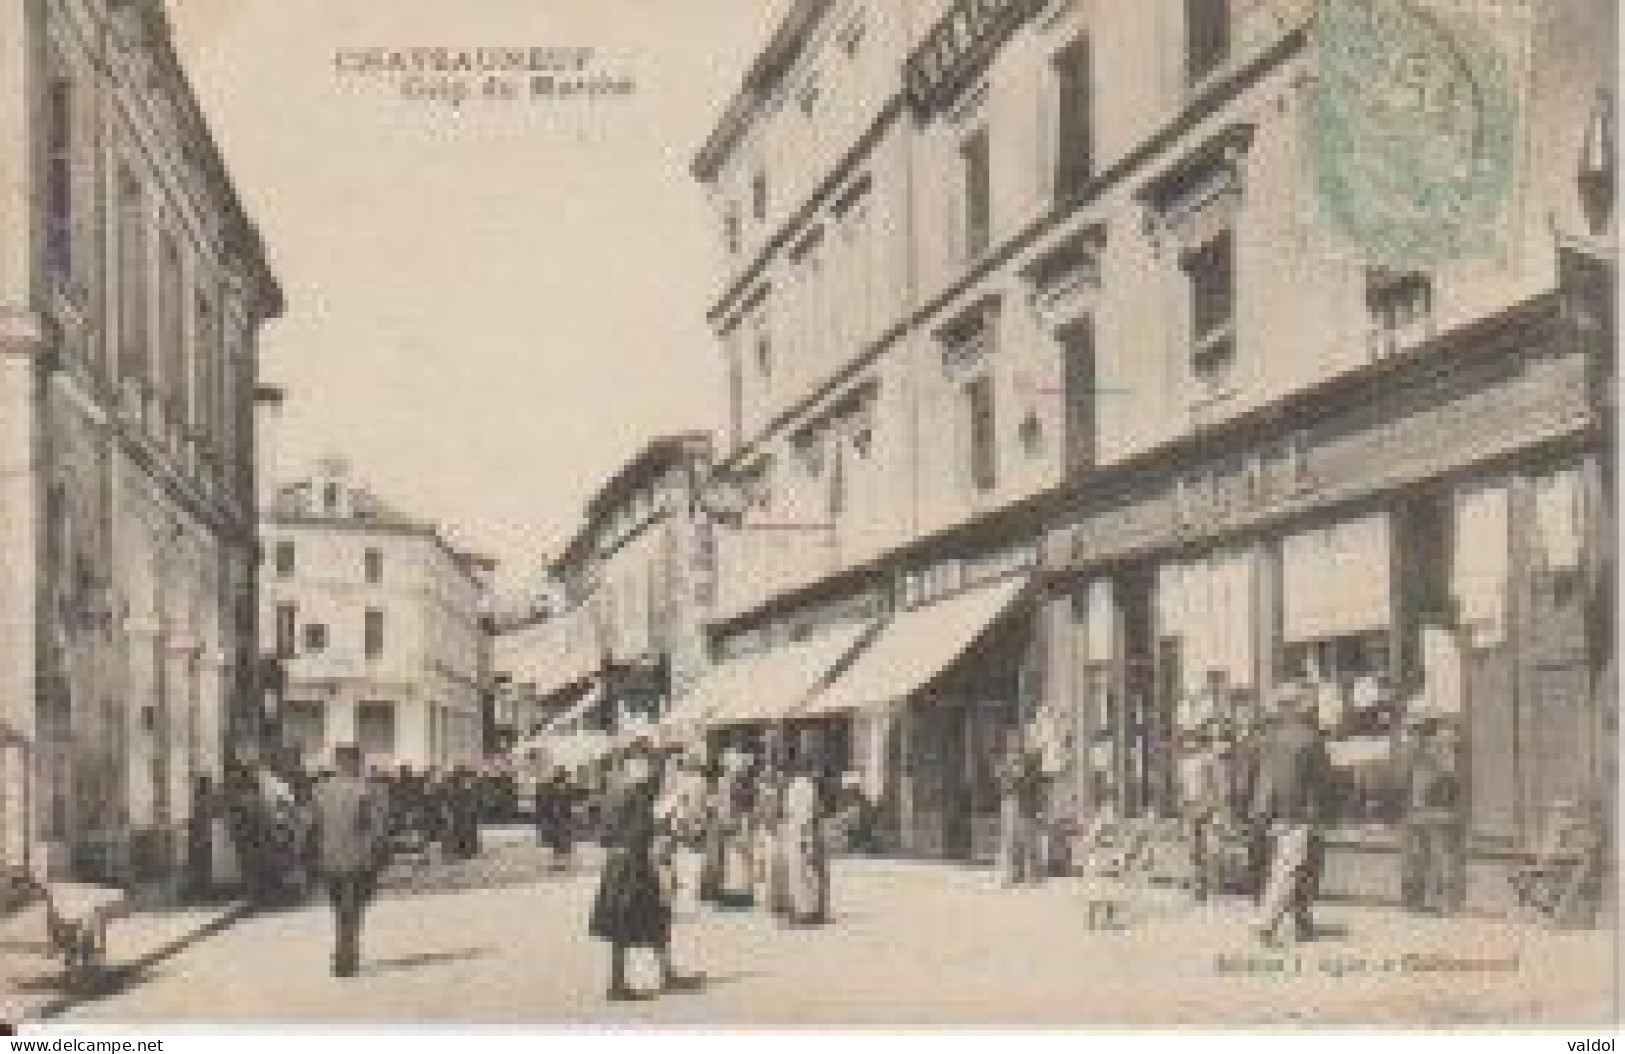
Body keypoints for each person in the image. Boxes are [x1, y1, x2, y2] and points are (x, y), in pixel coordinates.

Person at [589, 751, 701, 1001]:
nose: (656, 777)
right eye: (652, 771)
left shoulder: (614, 793)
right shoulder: (637, 796)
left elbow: (604, 836)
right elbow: (642, 831)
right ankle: (619, 985)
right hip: (635, 865)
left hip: (617, 865)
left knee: (646, 918)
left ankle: (660, 974)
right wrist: (664, 822)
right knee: (635, 919)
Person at [1250, 685, 1332, 947]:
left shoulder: (1269, 739)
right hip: (1302, 814)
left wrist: (1262, 813)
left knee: (1285, 867)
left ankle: (1301, 921)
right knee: (1296, 869)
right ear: (1299, 707)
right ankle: (1269, 923)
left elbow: (1262, 778)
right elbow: (1322, 782)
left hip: (1272, 813)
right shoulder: (1310, 739)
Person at [312, 744, 388, 977]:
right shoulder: (368, 790)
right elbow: (375, 828)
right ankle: (347, 955)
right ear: (357, 763)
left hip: (329, 858)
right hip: (358, 858)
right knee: (354, 908)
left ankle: (343, 953)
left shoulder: (319, 791)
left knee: (339, 909)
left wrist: (317, 854)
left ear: (336, 763)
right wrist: (375, 855)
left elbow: (313, 826)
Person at [781, 745, 831, 926]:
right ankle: (807, 910)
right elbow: (807, 813)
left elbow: (799, 813)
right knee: (805, 872)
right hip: (802, 830)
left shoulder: (797, 786)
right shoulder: (805, 786)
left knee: (802, 871)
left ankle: (805, 910)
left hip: (798, 830)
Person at [1178, 725, 1228, 903]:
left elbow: (1221, 786)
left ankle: (1214, 888)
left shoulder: (1210, 759)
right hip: (1191, 807)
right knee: (1194, 850)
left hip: (1209, 807)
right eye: (1186, 741)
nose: (1188, 744)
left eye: (1191, 740)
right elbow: (1183, 786)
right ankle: (1198, 888)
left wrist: (1219, 809)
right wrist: (1182, 802)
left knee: (1211, 849)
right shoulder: (1184, 762)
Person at [995, 729, 1041, 886]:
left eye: (1017, 742)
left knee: (1028, 840)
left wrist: (1023, 779)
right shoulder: (1005, 762)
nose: (1014, 745)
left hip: (1026, 803)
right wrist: (1010, 779)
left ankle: (1030, 874)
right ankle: (1010, 874)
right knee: (1009, 840)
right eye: (1012, 742)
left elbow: (1035, 781)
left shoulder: (1029, 761)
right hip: (1010, 801)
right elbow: (1001, 780)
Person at [535, 767, 579, 871]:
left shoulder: (558, 788)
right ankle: (561, 863)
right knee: (560, 842)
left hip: (559, 818)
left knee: (561, 842)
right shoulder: (555, 789)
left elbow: (570, 802)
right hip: (558, 819)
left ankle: (561, 863)